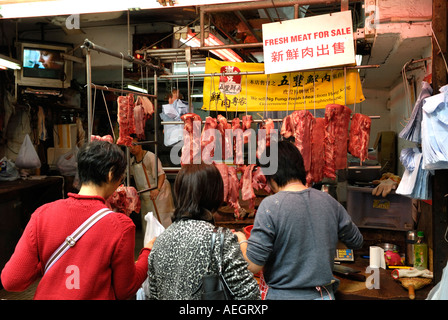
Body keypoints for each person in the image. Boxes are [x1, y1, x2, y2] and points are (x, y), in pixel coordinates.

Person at [1, 140, 153, 300]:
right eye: (120, 178)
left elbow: (12, 281)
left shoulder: (42, 214)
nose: (119, 184)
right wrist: (147, 253)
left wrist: (50, 262)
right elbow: (125, 289)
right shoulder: (120, 226)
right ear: (110, 174)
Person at [235, 140, 364, 300]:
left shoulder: (271, 206)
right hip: (323, 296)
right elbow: (356, 241)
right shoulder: (329, 201)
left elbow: (253, 266)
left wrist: (241, 240)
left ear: (272, 176)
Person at [142, 163, 260, 300]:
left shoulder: (159, 242)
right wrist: (242, 241)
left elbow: (154, 296)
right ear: (215, 194)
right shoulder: (220, 239)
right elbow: (250, 296)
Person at [129, 134, 175, 230]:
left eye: (135, 144)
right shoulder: (132, 161)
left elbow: (161, 174)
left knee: (162, 219)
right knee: (148, 221)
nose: (132, 148)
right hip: (146, 196)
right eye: (130, 146)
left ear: (141, 144)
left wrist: (157, 189)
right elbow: (129, 175)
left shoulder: (150, 157)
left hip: (159, 193)